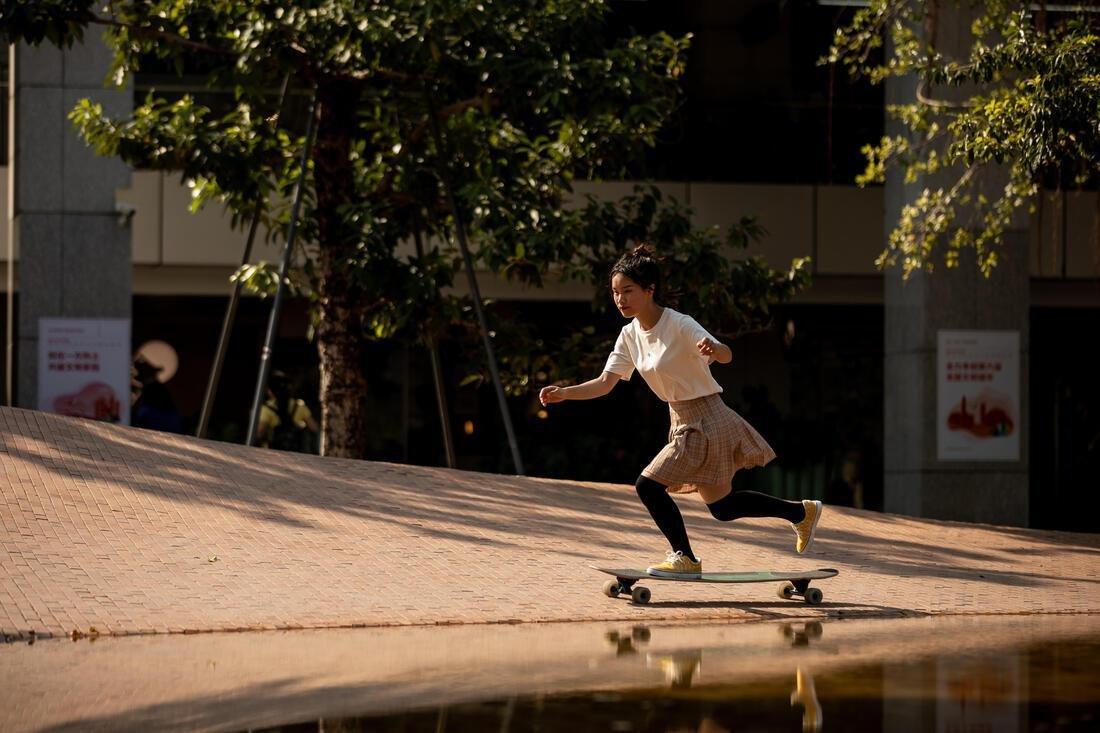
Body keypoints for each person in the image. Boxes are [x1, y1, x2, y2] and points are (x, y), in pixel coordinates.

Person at [539, 245, 823, 578]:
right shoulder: (629, 335)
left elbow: (726, 354)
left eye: (627, 291)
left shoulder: (679, 323)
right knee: (722, 508)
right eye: (615, 292)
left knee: (647, 486)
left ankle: (685, 558)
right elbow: (605, 383)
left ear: (649, 290)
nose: (620, 299)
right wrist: (565, 393)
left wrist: (714, 348)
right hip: (682, 420)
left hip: (707, 420)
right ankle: (800, 513)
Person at [257, 370, 320, 452]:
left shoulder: (266, 409)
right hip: (295, 453)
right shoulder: (299, 406)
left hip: (271, 453)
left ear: (269, 391)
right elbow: (314, 428)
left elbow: (259, 433)